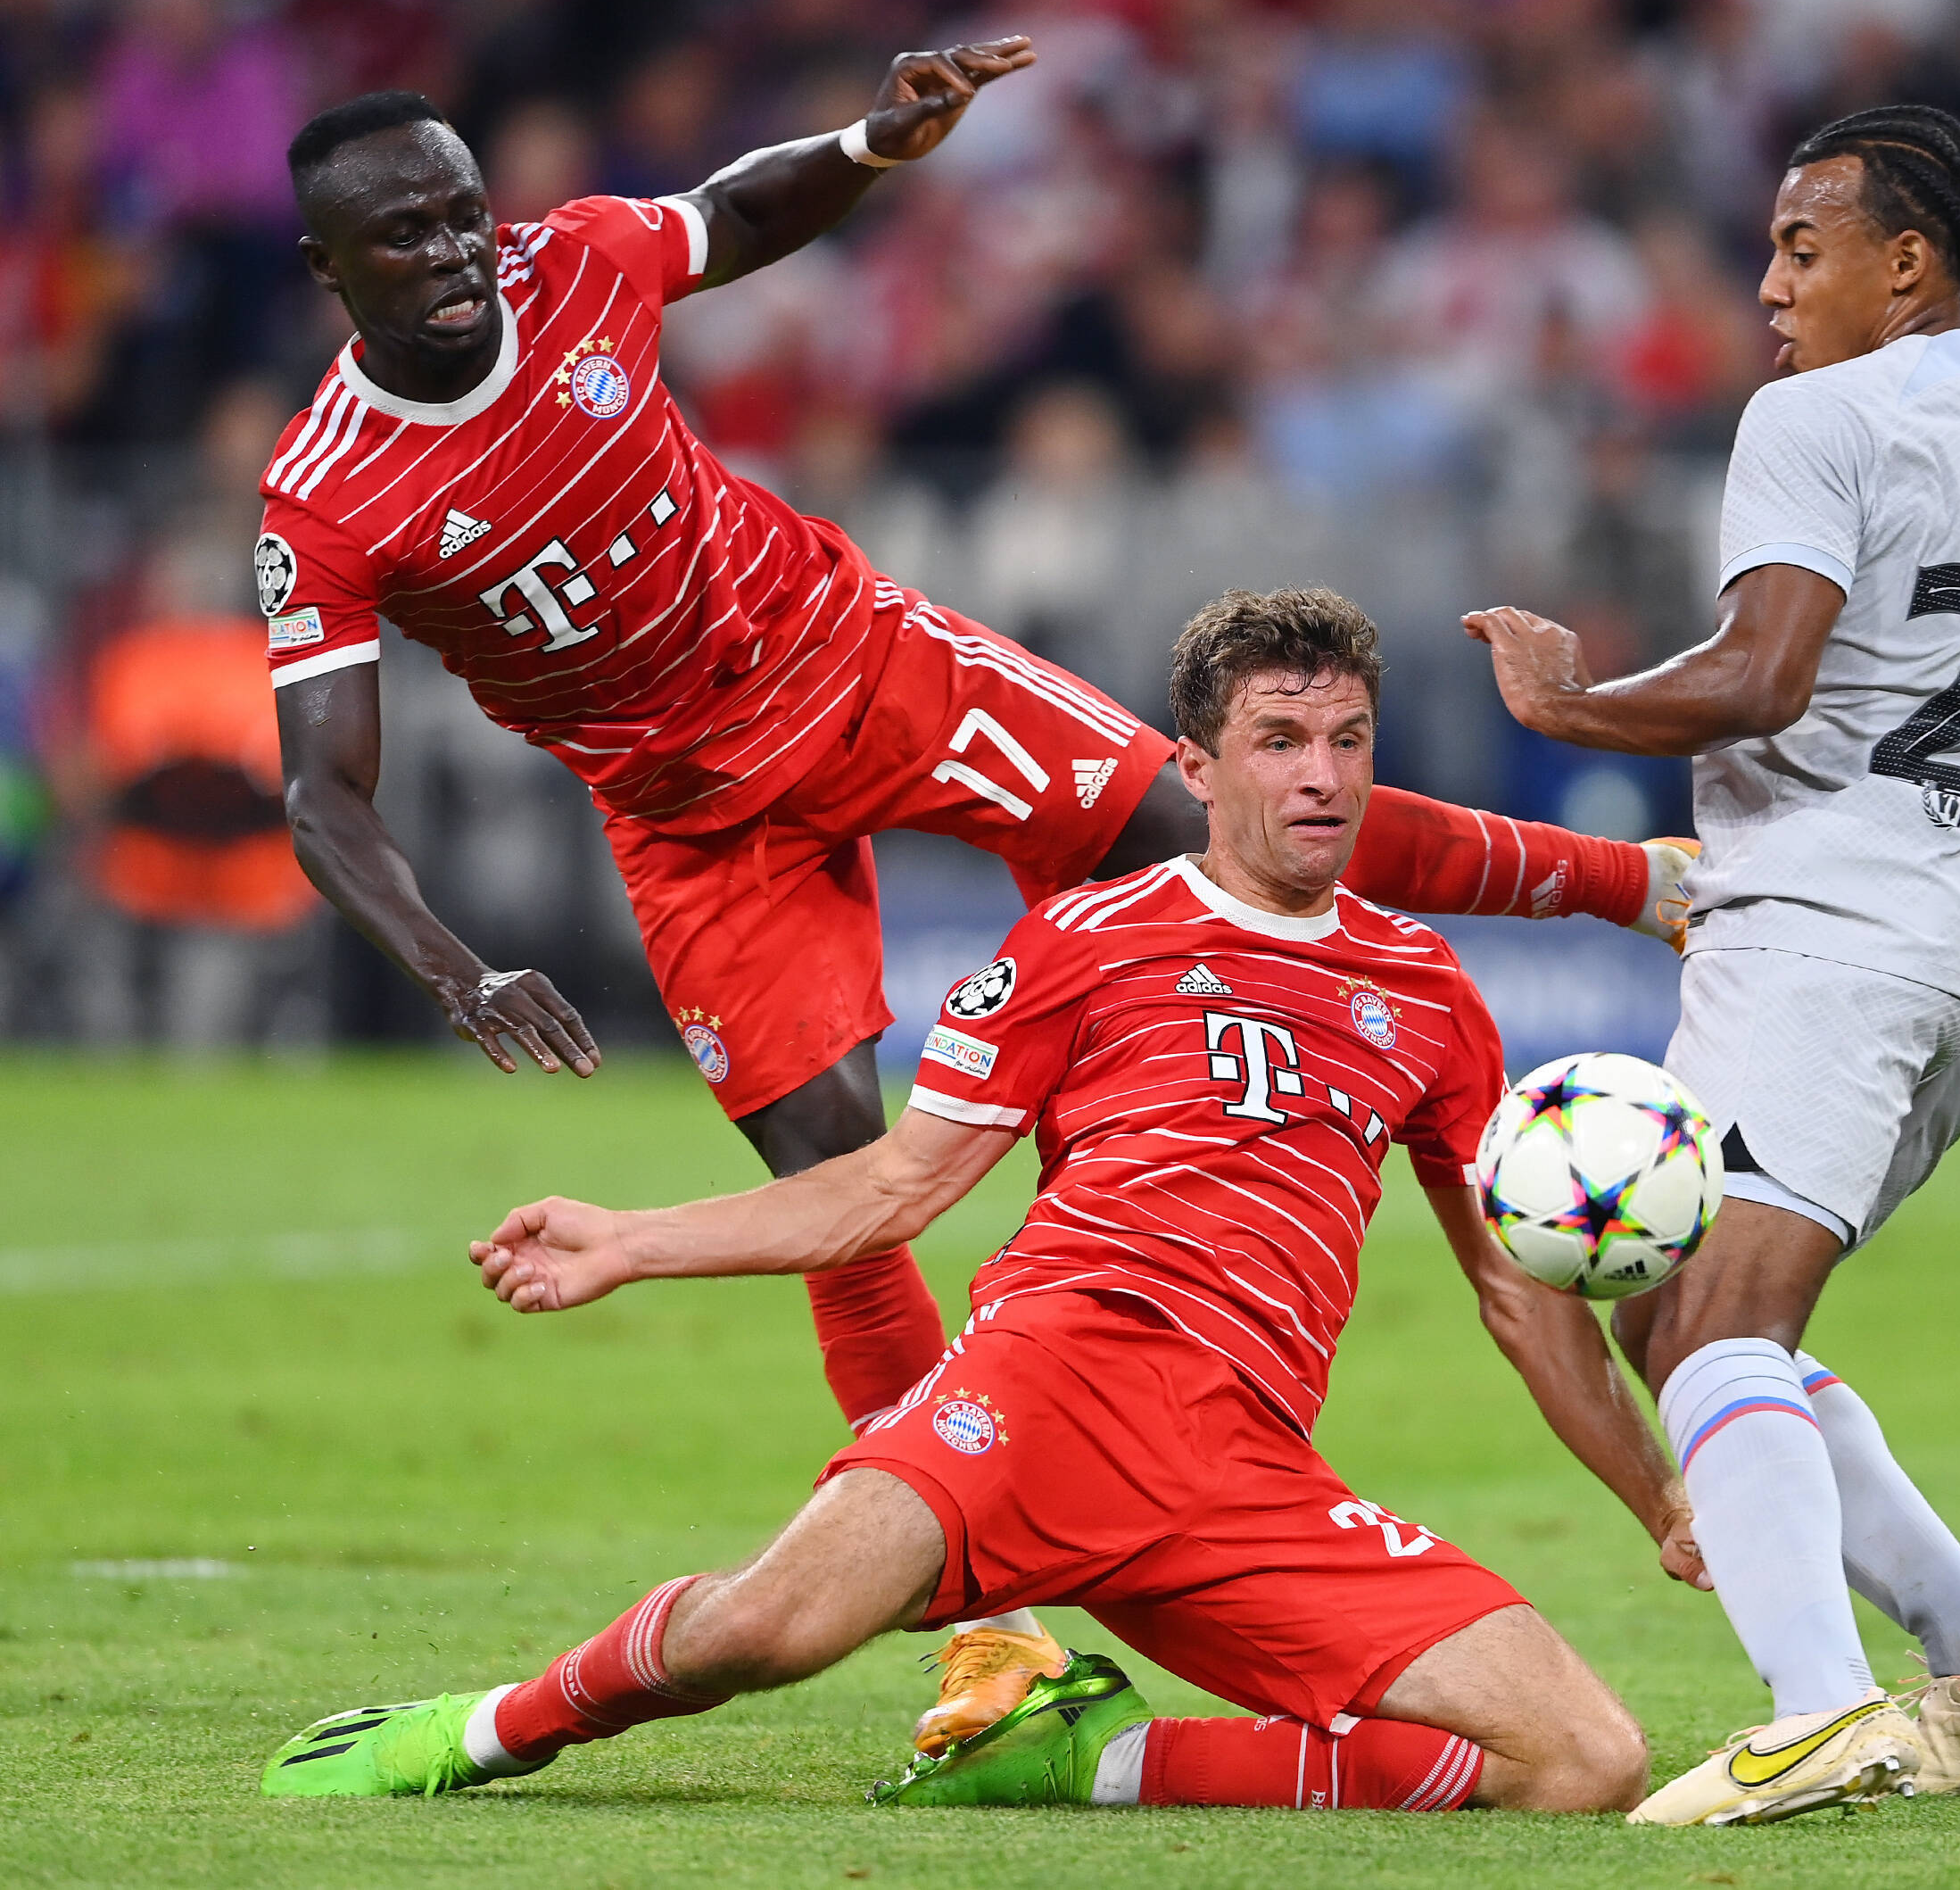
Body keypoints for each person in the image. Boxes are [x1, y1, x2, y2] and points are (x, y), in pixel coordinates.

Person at [260, 51, 1691, 1749]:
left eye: (456, 211)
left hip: (858, 664)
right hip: (695, 820)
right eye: (401, 235)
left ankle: (1633, 882)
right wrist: (449, 963)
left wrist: (874, 141)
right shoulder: (326, 493)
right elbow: (320, 789)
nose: (449, 253)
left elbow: (737, 211)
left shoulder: (574, 261)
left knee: (1222, 826)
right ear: (326, 271)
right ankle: (995, 1640)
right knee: (838, 1179)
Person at [260, 587, 1688, 1815]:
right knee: (766, 1629)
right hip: (1042, 1392)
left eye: (1346, 741)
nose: (1320, 777)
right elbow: (888, 1190)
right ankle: (481, 1730)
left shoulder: (1426, 992)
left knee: (1585, 1761)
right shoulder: (1079, 939)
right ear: (1196, 764)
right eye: (1278, 741)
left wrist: (1660, 1501)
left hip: (1247, 1466)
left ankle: (1087, 1764)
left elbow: (1521, 1299)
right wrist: (628, 1242)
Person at [1465, 105, 1960, 1826]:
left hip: (1837, 916)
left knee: (1701, 1321)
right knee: (1697, 1300)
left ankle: (1820, 1709)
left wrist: (1572, 702)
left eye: (1799, 246)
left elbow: (1769, 675)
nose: (1767, 285)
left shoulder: (1814, 418)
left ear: (1905, 264)